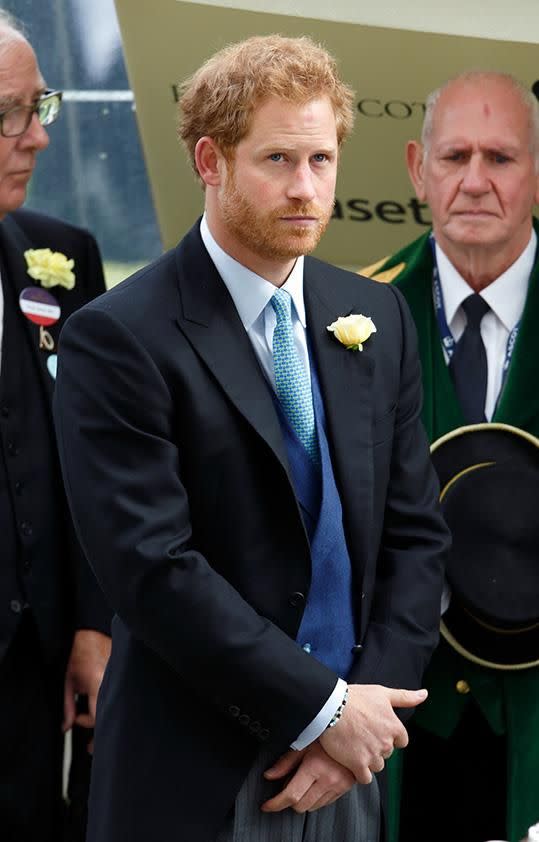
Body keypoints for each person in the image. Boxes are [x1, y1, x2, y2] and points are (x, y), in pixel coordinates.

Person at [53, 34, 449, 842]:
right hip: (195, 777)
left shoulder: (376, 318)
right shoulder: (118, 337)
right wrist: (324, 709)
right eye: (276, 159)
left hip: (353, 771)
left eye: (320, 160)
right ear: (210, 160)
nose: (306, 188)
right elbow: (152, 569)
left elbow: (415, 537)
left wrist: (362, 721)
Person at [361, 71, 539, 842]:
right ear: (415, 168)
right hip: (397, 731)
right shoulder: (350, 317)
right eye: (453, 156)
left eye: (498, 158)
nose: (472, 182)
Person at [0, 11, 112, 842]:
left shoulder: (62, 259)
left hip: (34, 669)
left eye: (42, 106)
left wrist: (90, 622)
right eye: (11, 112)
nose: (36, 138)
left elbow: (98, 461)